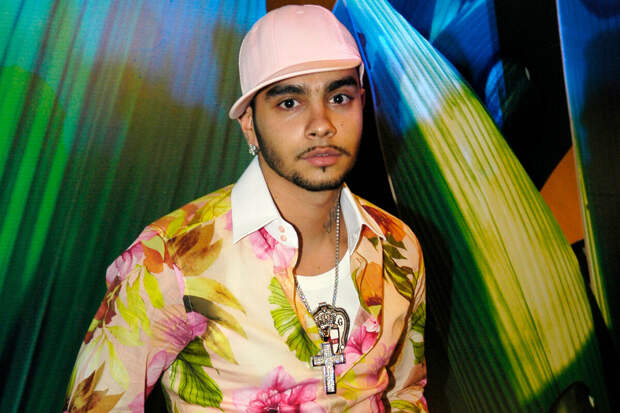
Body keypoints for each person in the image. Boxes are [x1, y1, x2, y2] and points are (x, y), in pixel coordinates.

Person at [64, 5, 427, 412]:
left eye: (339, 97)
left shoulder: (398, 246)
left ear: (362, 104)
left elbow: (405, 392)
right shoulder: (171, 257)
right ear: (249, 124)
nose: (321, 123)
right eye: (289, 102)